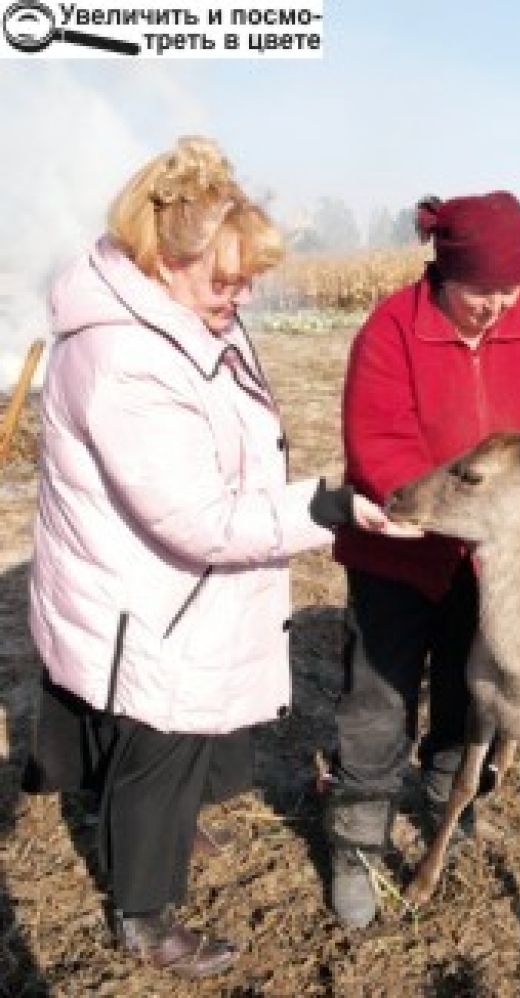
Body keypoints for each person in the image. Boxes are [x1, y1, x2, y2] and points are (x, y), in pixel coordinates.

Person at [22, 136, 413, 979]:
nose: (243, 297)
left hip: (169, 588)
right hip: (150, 596)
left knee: (178, 734)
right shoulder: (125, 358)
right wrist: (327, 506)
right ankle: (144, 915)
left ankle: (160, 828)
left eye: (248, 279)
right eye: (226, 280)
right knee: (157, 741)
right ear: (164, 261)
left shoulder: (179, 318)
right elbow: (197, 520)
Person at [326, 190, 520, 929]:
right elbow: (380, 447)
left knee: (466, 694)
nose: (499, 306)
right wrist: (443, 512)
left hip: (492, 562)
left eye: (512, 289)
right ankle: (358, 841)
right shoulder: (392, 330)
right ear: (444, 271)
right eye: (482, 292)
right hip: (400, 550)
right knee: (378, 700)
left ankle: (449, 803)